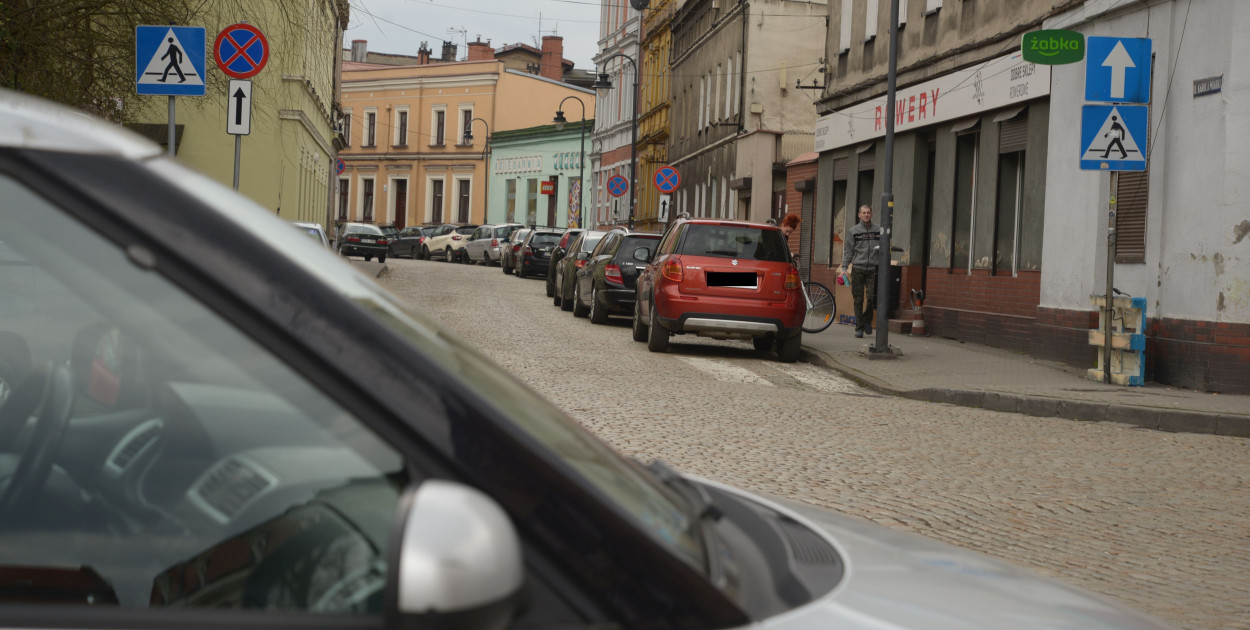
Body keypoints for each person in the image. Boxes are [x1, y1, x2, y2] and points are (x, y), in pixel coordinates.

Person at [837, 205, 882, 338]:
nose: (866, 215)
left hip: (873, 269)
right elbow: (848, 251)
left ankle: (867, 320)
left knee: (871, 298)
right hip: (858, 268)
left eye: (868, 213)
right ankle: (859, 327)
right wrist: (844, 269)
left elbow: (884, 248)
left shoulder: (878, 230)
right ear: (859, 215)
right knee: (858, 299)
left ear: (871, 215)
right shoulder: (853, 231)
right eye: (864, 213)